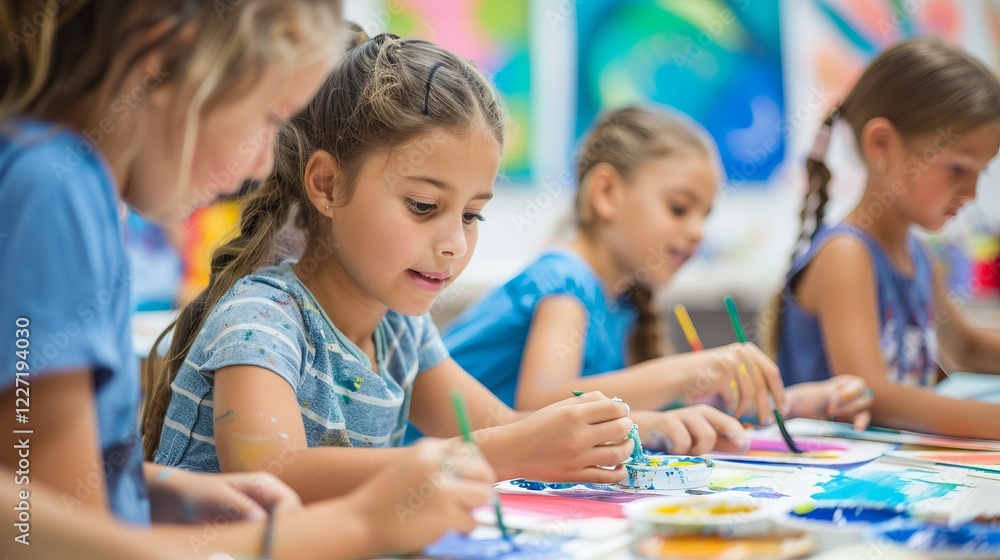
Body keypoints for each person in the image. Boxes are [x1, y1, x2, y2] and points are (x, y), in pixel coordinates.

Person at [0, 2, 494, 557]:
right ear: (165, 57)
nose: (262, 165)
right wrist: (359, 526)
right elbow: (46, 541)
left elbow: (41, 500)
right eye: (269, 117)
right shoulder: (52, 189)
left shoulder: (65, 185)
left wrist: (167, 490)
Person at [439, 105, 873, 453]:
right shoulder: (565, 280)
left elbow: (655, 406)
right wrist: (690, 369)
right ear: (607, 193)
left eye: (705, 215)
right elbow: (542, 403)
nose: (698, 231)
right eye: (680, 208)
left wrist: (793, 402)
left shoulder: (623, 301)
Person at [769, 37, 1000, 439]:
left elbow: (965, 348)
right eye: (958, 169)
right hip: (828, 481)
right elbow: (875, 396)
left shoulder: (917, 254)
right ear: (882, 144)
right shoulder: (846, 253)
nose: (972, 193)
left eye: (982, 172)